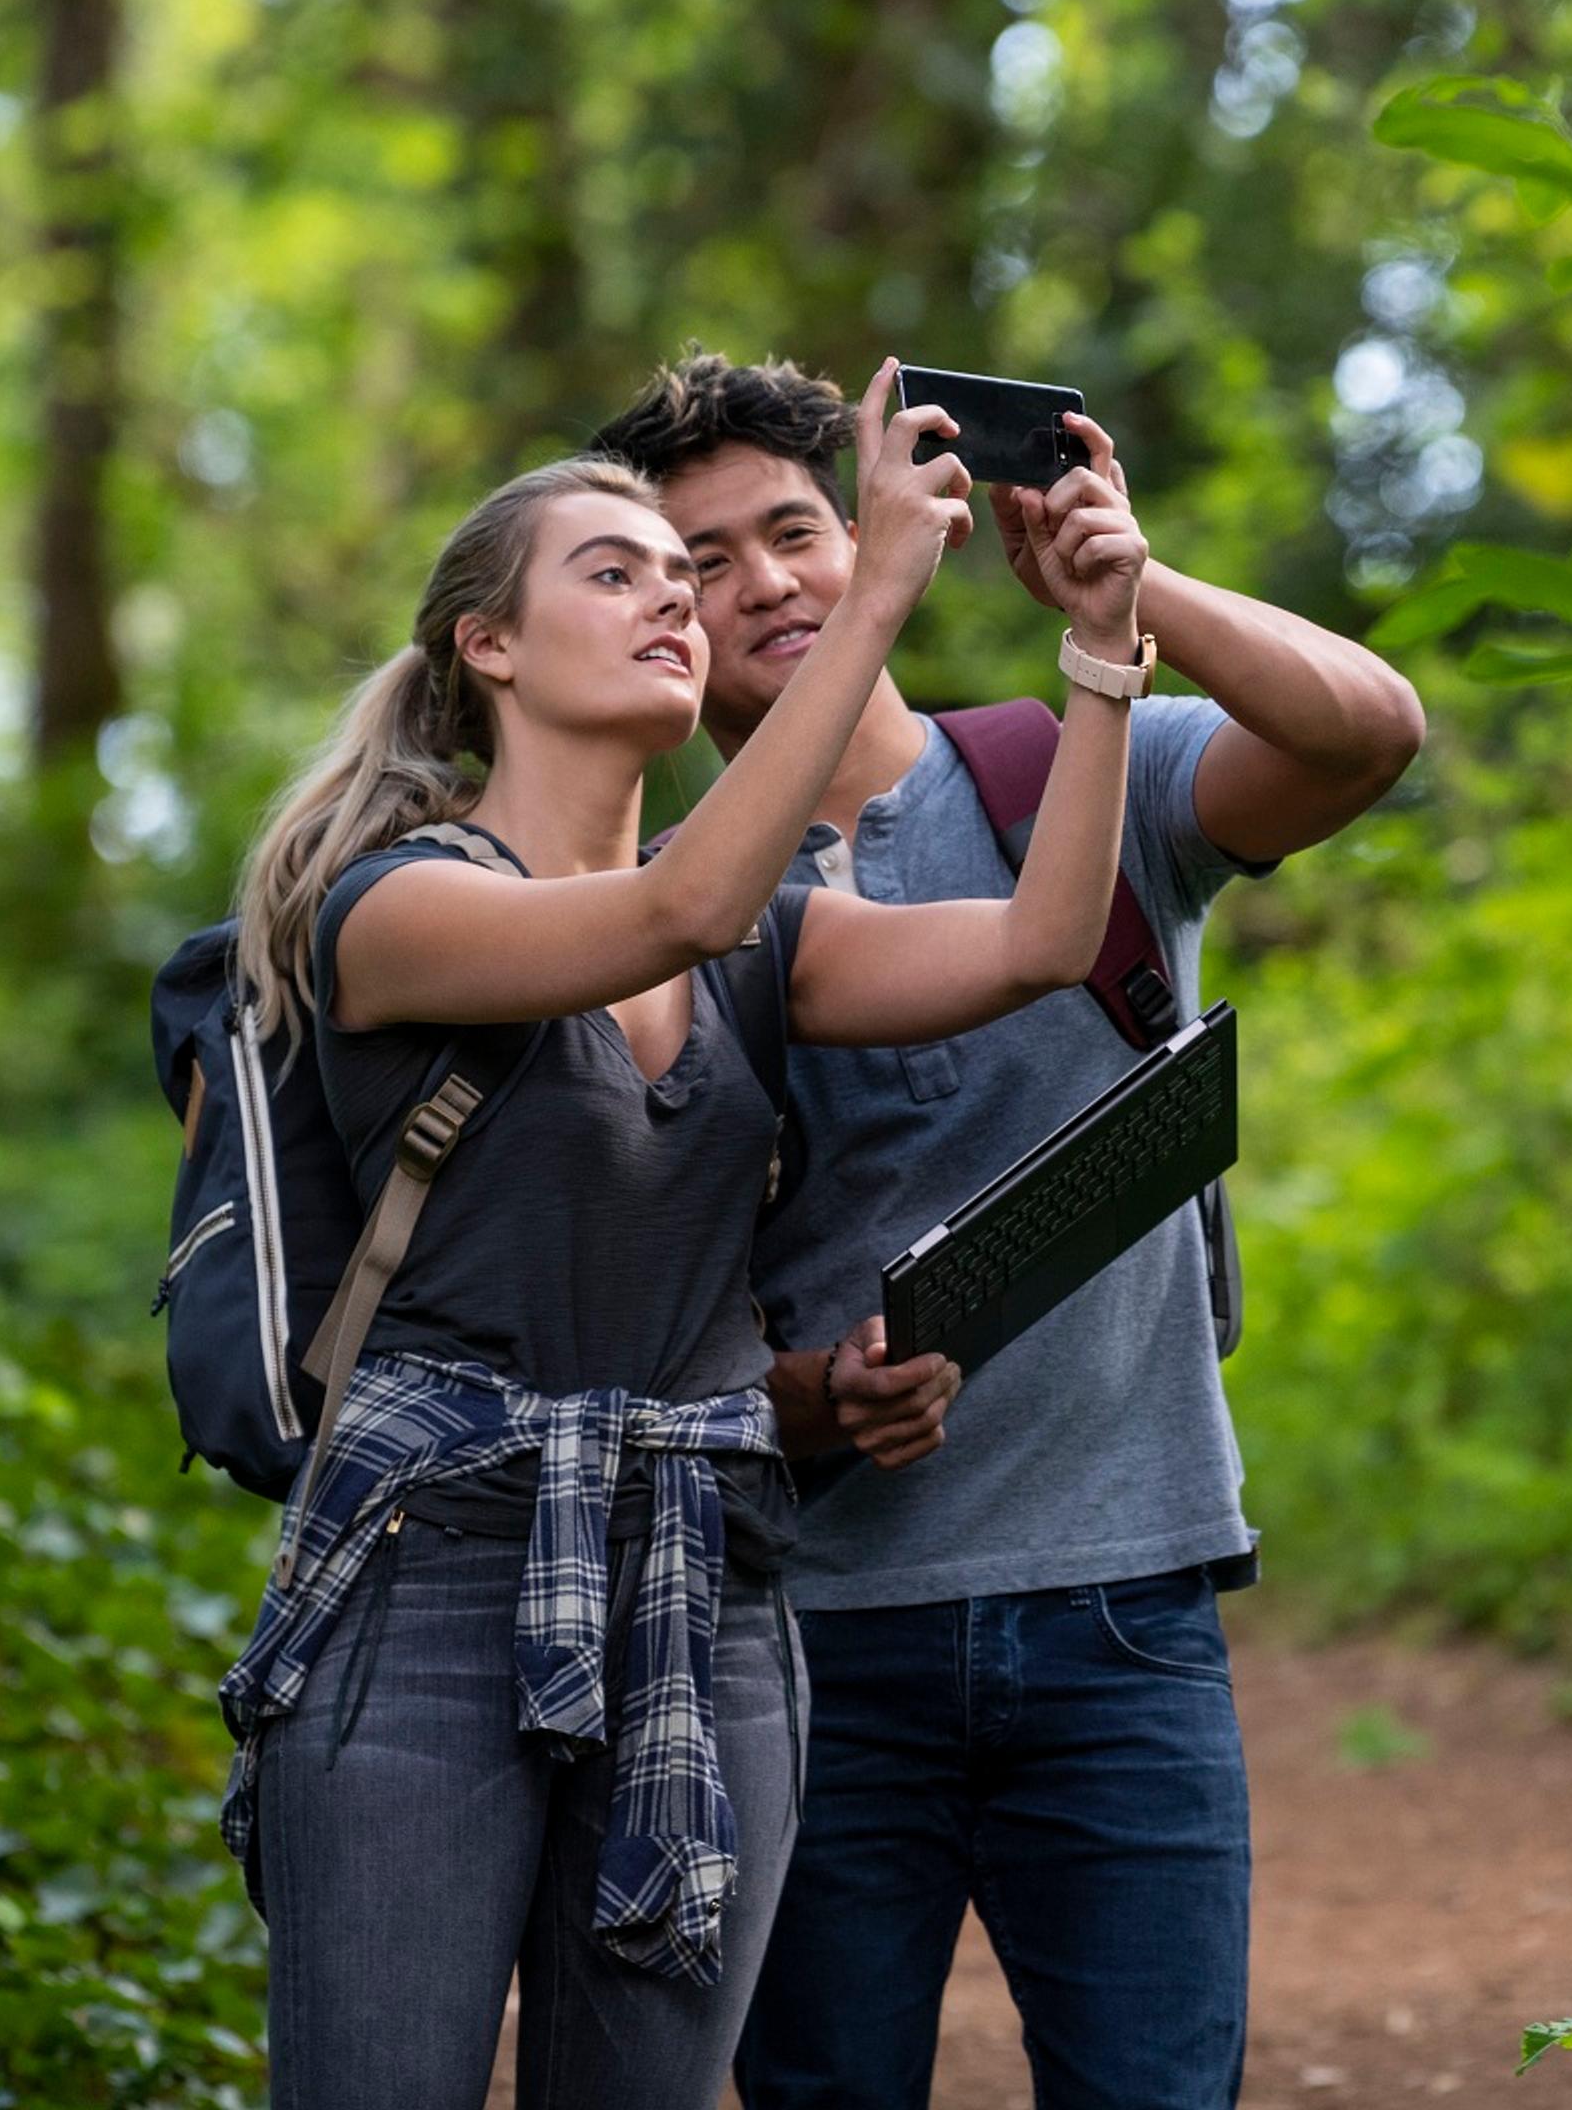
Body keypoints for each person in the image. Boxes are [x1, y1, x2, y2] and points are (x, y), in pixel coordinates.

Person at [216, 368, 1162, 2110]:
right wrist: (877, 587)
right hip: (431, 1587)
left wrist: (1099, 655)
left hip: (701, 1584)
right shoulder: (399, 908)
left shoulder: (765, 948)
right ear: (489, 649)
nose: (681, 596)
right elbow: (673, 902)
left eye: (687, 571)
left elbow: (1045, 938)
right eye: (620, 570)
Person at [591, 352, 1427, 2110]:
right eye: (702, 564)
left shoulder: (1077, 765)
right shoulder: (653, 916)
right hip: (807, 1631)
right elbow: (631, 1295)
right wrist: (808, 1399)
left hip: (1124, 1609)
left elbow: (1368, 733)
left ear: (875, 536)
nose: (768, 587)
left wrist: (1133, 590)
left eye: (797, 533)